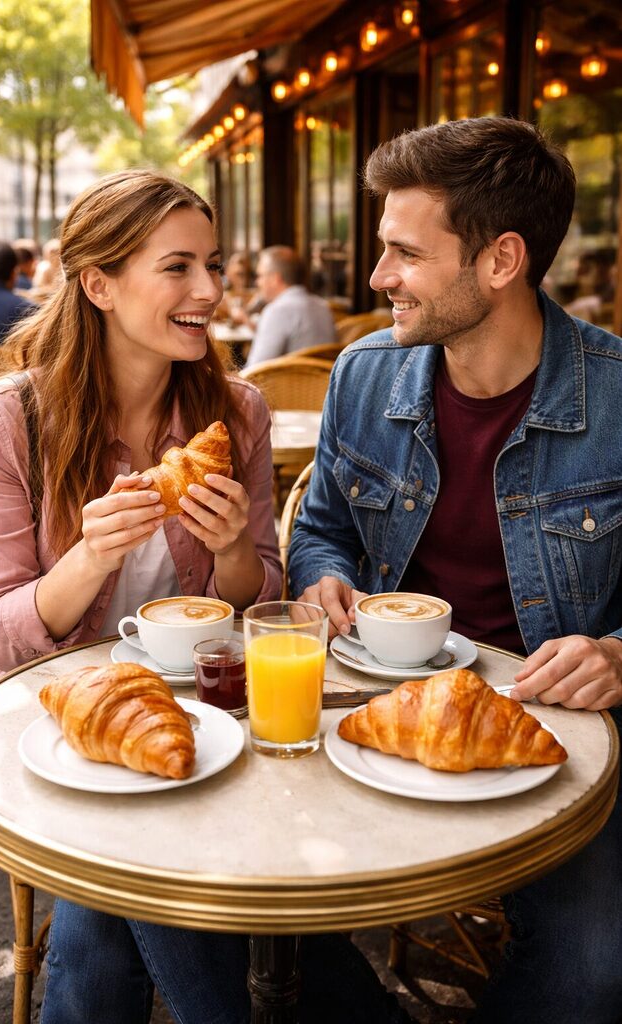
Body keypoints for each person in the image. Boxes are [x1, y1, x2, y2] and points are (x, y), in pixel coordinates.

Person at [0, 169, 402, 1024]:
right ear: (98, 284)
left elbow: (260, 603)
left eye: (215, 265)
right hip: (39, 714)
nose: (208, 291)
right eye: (177, 267)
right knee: (132, 890)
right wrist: (87, 559)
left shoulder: (234, 412)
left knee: (101, 922)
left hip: (200, 711)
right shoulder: (6, 420)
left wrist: (235, 546)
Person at [289, 116, 622, 1024]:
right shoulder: (362, 374)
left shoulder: (616, 395)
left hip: (553, 738)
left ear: (500, 261)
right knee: (268, 894)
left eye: (403, 252)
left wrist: (617, 655)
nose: (375, 277)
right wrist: (319, 575)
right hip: (372, 711)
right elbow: (320, 527)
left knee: (596, 967)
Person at [244, 245, 336, 366]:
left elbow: (254, 368)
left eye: (260, 276)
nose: (257, 282)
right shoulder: (323, 306)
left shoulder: (276, 311)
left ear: (275, 279)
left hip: (284, 384)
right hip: (324, 382)